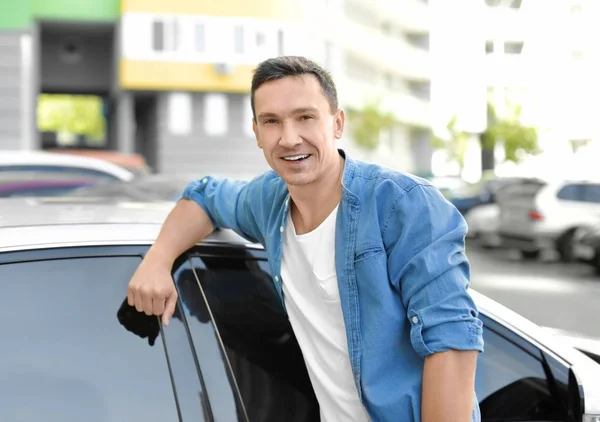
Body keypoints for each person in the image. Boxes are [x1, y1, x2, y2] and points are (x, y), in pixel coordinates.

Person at [127, 55, 484, 422]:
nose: (289, 138)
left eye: (305, 117)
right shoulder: (269, 201)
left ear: (337, 123)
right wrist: (157, 261)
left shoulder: (404, 205)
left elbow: (452, 341)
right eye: (272, 122)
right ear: (257, 133)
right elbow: (202, 197)